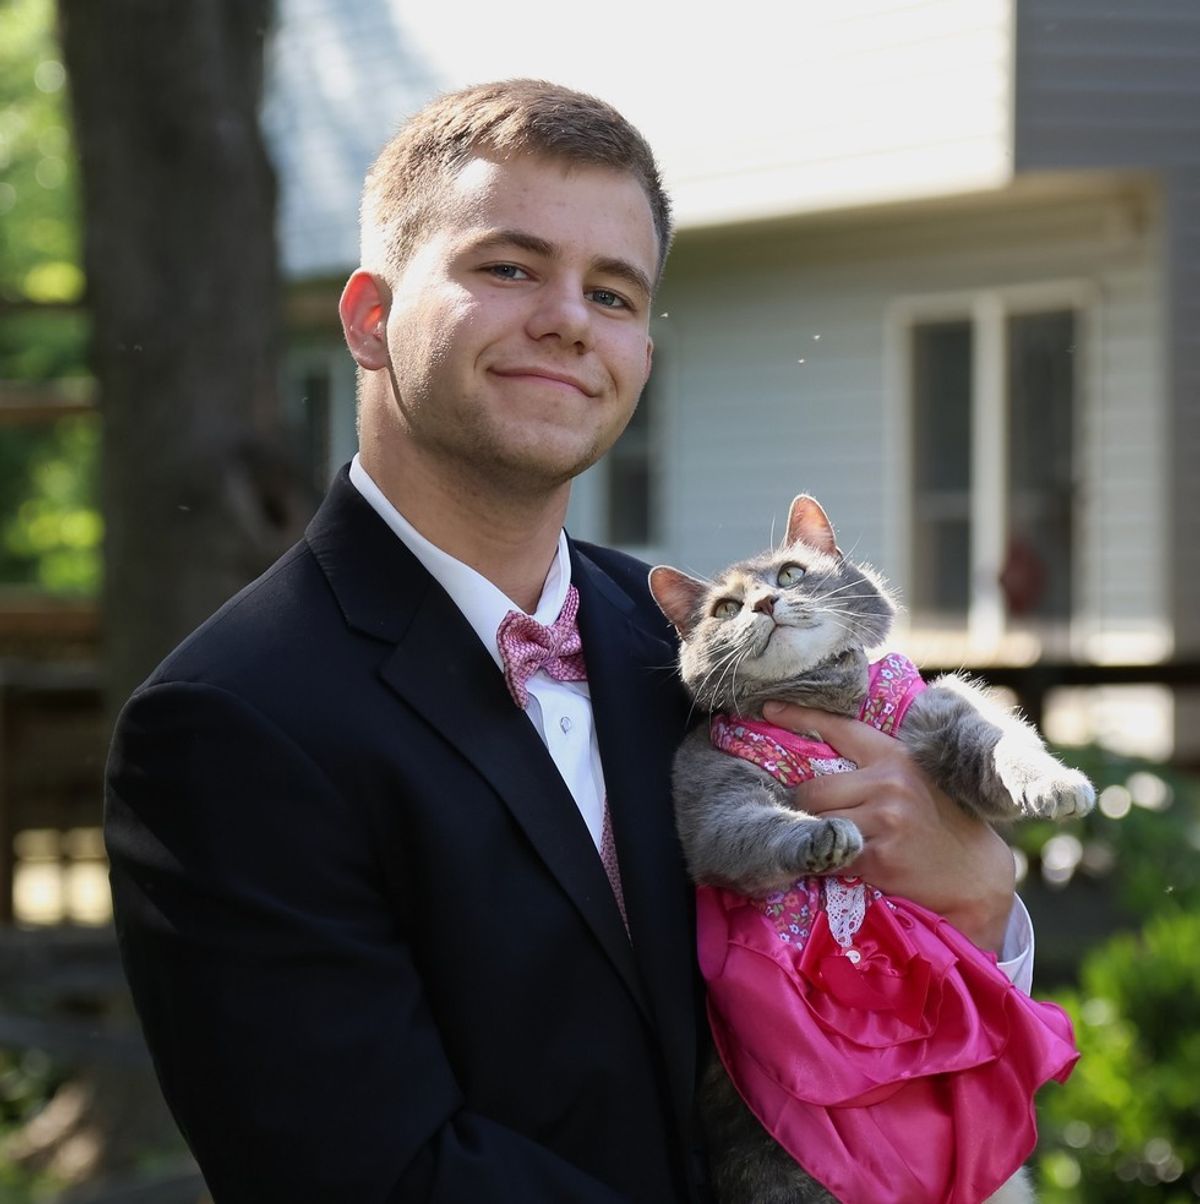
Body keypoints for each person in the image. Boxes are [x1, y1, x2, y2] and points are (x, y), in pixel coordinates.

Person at [105, 79, 1030, 1203]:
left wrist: (979, 907)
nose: (568, 318)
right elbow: (375, 1174)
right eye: (508, 267)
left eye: (613, 291)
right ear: (367, 317)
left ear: (641, 352)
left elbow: (844, 1013)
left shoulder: (700, 652)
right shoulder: (227, 722)